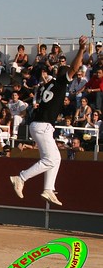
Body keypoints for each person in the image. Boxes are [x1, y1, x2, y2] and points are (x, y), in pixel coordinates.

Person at [10, 35, 88, 207]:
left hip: (39, 125)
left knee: (56, 158)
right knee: (51, 160)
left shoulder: (49, 84)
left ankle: (48, 189)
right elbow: (74, 68)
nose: (72, 74)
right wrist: (82, 49)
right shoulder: (60, 82)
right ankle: (21, 178)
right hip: (43, 126)